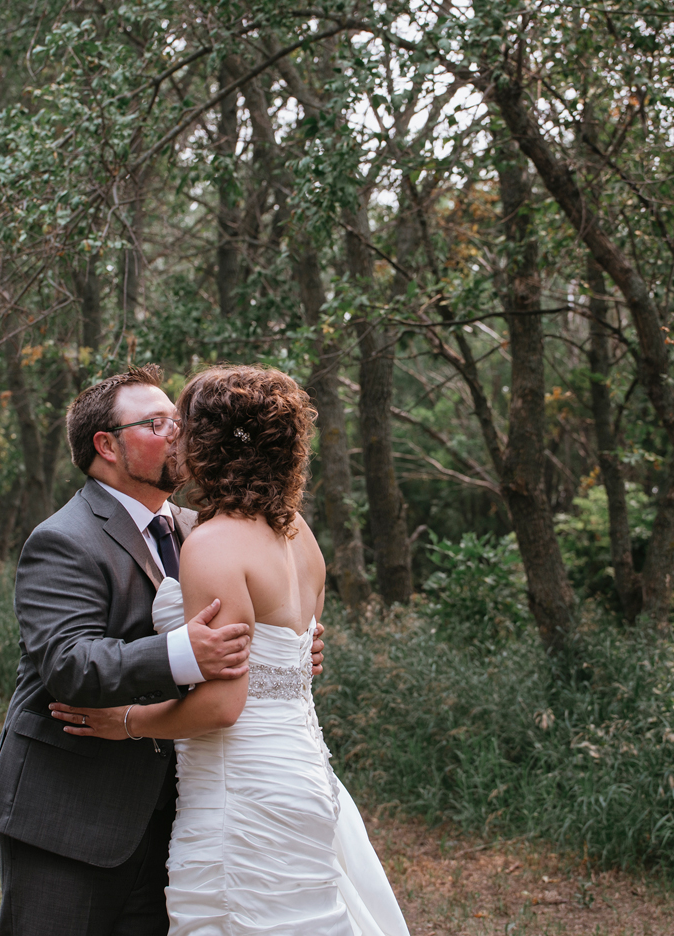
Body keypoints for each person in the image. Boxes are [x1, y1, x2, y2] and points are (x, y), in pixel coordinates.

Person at [51, 365, 409, 936]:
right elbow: (295, 651)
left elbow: (223, 706)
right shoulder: (297, 534)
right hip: (304, 773)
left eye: (181, 425)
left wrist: (125, 722)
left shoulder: (213, 543)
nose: (173, 437)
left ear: (209, 442)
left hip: (239, 788)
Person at [0, 364, 323, 936]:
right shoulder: (64, 538)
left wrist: (286, 653)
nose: (177, 434)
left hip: (179, 813)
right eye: (158, 422)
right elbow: (69, 663)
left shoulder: (204, 528)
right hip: (75, 810)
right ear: (106, 445)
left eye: (178, 420)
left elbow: (259, 635)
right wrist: (185, 652)